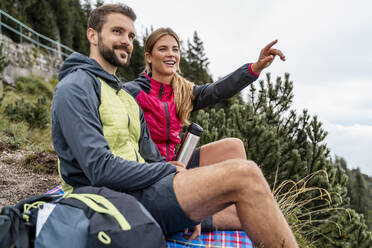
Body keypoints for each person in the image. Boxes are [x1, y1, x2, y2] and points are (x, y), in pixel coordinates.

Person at [51, 3, 298, 247]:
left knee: (237, 162)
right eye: (117, 31)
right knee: (245, 178)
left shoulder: (129, 96)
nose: (126, 40)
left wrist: (252, 69)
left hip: (148, 178)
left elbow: (215, 91)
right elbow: (101, 168)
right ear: (92, 35)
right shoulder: (90, 88)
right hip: (108, 197)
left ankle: (193, 214)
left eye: (130, 35)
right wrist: (172, 174)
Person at [124, 28, 286, 235]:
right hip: (152, 171)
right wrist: (158, 167)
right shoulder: (132, 93)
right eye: (163, 49)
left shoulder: (183, 90)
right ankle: (193, 216)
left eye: (175, 49)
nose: (170, 54)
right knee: (243, 213)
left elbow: (218, 90)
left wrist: (254, 68)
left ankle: (227, 202)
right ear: (149, 57)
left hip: (178, 162)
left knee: (233, 146)